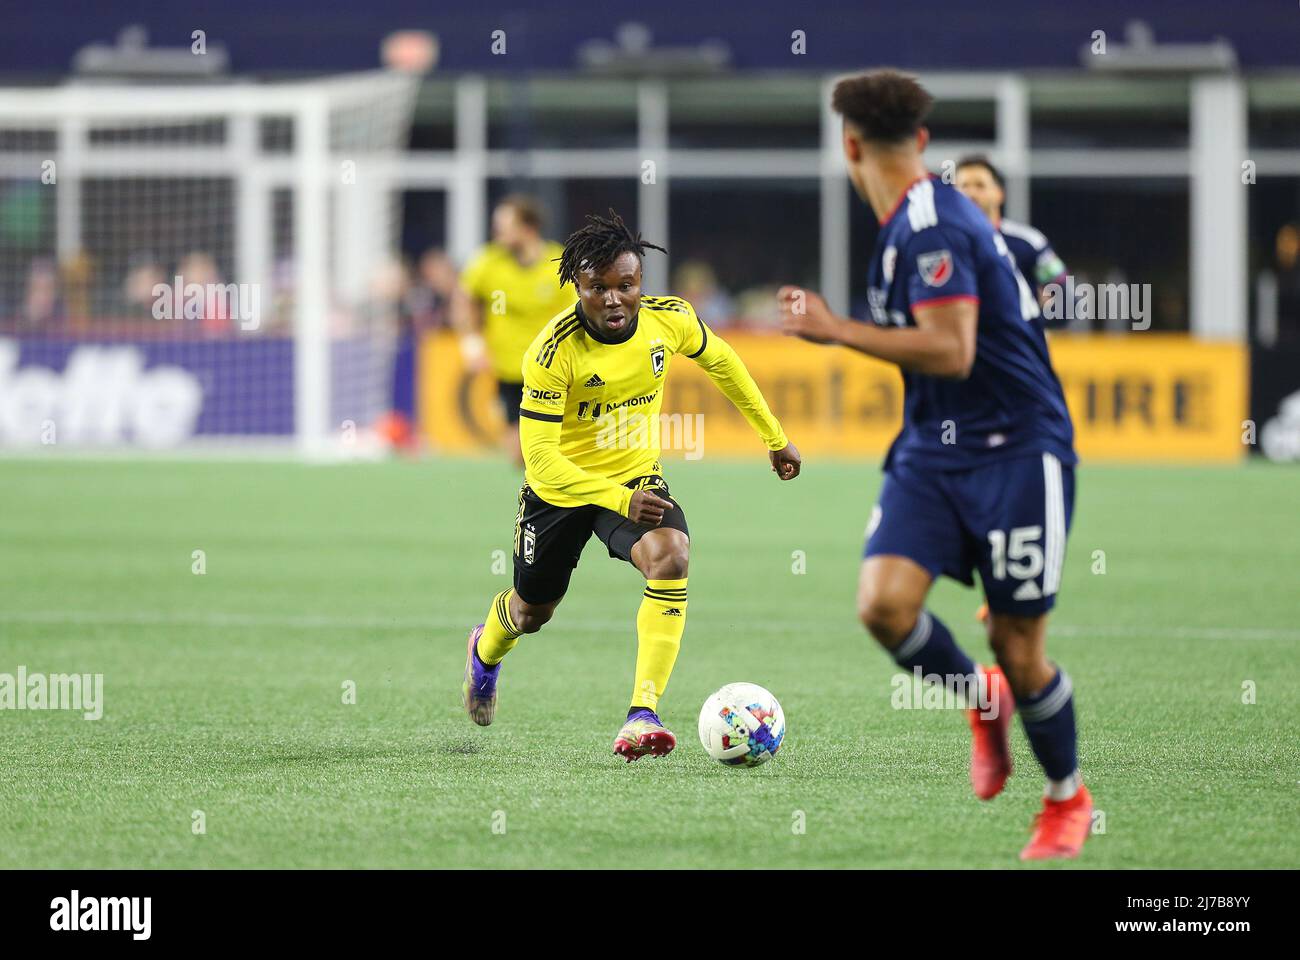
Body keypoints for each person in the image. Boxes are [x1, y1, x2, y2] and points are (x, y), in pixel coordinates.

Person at [778, 69, 1089, 860]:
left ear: (849, 145)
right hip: (933, 448)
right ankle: (978, 698)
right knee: (883, 606)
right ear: (920, 142)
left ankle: (1065, 799)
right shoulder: (901, 228)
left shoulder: (932, 225)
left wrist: (836, 329)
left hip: (1020, 450)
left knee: (1022, 650)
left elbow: (951, 350)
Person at [460, 210, 802, 761]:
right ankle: (484, 649)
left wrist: (774, 435)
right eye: (599, 288)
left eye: (627, 285)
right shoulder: (551, 353)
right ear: (578, 286)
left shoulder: (670, 319)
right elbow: (540, 462)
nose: (615, 299)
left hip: (635, 477)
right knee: (531, 613)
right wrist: (618, 499)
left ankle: (642, 714)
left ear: (641, 283)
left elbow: (723, 363)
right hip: (562, 492)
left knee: (671, 554)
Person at [453, 196, 574, 467]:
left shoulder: (558, 264)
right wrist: (472, 344)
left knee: (553, 452)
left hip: (551, 371)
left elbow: (577, 313)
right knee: (518, 456)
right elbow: (464, 299)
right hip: (508, 370)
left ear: (528, 228)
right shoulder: (489, 262)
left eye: (504, 227)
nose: (497, 234)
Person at [954, 156, 1068, 322]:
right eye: (963, 186)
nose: (971, 193)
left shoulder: (1029, 242)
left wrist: (1028, 327)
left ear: (999, 193)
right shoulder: (945, 243)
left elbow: (1065, 301)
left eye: (980, 185)